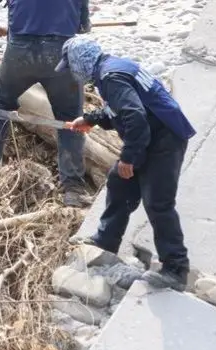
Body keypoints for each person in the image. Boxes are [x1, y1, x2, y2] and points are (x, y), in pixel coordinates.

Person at [59, 37, 196, 291]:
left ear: (80, 61)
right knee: (119, 184)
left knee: (158, 202)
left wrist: (129, 157)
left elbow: (135, 117)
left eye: (71, 67)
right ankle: (106, 240)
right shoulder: (112, 69)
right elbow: (121, 111)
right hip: (151, 136)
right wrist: (92, 119)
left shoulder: (111, 78)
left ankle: (176, 269)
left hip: (163, 139)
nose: (72, 74)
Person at [0, 0, 91, 208]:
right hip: (60, 54)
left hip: (20, 52)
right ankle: (73, 190)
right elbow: (83, 26)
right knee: (70, 118)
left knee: (1, 104)